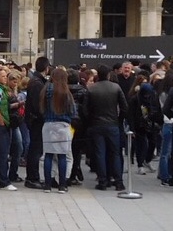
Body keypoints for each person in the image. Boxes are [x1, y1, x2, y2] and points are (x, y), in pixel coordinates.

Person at [83, 63, 128, 191]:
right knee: (115, 153)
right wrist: (119, 120)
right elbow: (124, 107)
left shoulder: (91, 89)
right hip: (113, 124)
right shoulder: (116, 87)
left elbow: (85, 110)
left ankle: (102, 181)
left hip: (96, 124)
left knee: (100, 153)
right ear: (109, 75)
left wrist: (91, 120)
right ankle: (118, 181)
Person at [40, 67, 76, 193]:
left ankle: (47, 185)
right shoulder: (66, 92)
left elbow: (42, 109)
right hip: (63, 126)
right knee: (62, 156)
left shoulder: (46, 90)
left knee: (48, 155)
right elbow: (73, 111)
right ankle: (62, 185)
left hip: (48, 125)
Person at [24, 55, 50, 188]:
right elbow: (36, 105)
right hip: (36, 121)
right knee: (35, 149)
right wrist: (43, 116)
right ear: (46, 68)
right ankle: (32, 177)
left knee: (36, 149)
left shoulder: (37, 81)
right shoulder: (36, 83)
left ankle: (33, 176)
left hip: (35, 120)